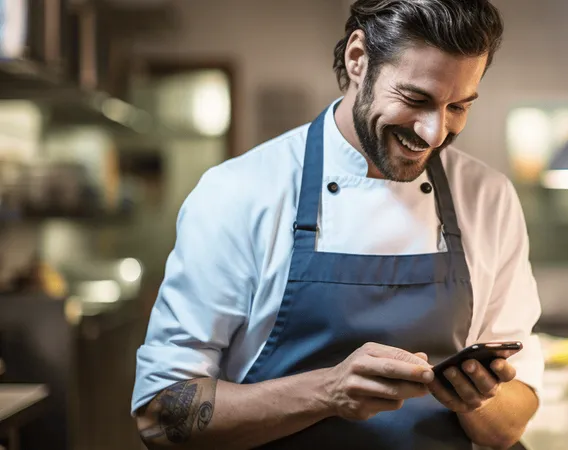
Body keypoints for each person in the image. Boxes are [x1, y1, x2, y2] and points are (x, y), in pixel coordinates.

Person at [132, 1, 544, 449]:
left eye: (458, 107)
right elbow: (158, 415)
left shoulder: (488, 198)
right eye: (415, 99)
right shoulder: (239, 193)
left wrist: (478, 400)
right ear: (357, 59)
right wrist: (327, 392)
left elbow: (511, 423)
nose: (433, 133)